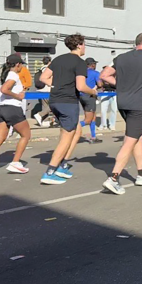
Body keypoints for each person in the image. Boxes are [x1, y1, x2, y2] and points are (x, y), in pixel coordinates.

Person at [99, 33, 142, 195]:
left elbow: (104, 75)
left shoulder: (120, 58)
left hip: (123, 104)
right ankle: (113, 178)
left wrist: (120, 85)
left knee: (139, 136)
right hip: (139, 106)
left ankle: (141, 173)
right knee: (129, 141)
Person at [39, 34, 97, 185]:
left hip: (55, 100)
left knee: (76, 130)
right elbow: (81, 87)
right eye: (84, 44)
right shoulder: (80, 62)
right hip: (68, 102)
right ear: (79, 45)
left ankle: (63, 164)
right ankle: (50, 171)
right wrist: (93, 92)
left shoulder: (58, 59)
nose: (85, 47)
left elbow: (43, 78)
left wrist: (58, 84)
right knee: (67, 137)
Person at [79, 58, 103, 144]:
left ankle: (93, 137)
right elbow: (100, 84)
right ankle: (74, 128)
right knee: (88, 120)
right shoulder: (95, 73)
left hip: (81, 96)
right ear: (92, 65)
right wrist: (99, 85)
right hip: (90, 96)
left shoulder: (81, 73)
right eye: (95, 64)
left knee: (93, 117)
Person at [33, 56, 53, 127]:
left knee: (45, 106)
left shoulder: (40, 69)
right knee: (53, 105)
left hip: (40, 90)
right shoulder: (48, 70)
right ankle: (39, 114)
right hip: (47, 90)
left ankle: (45, 122)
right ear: (49, 62)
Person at [98, 63, 117, 131]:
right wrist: (101, 80)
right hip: (105, 93)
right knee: (103, 110)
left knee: (114, 110)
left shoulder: (115, 77)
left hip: (114, 93)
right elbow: (99, 84)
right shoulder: (102, 77)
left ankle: (112, 125)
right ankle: (103, 125)